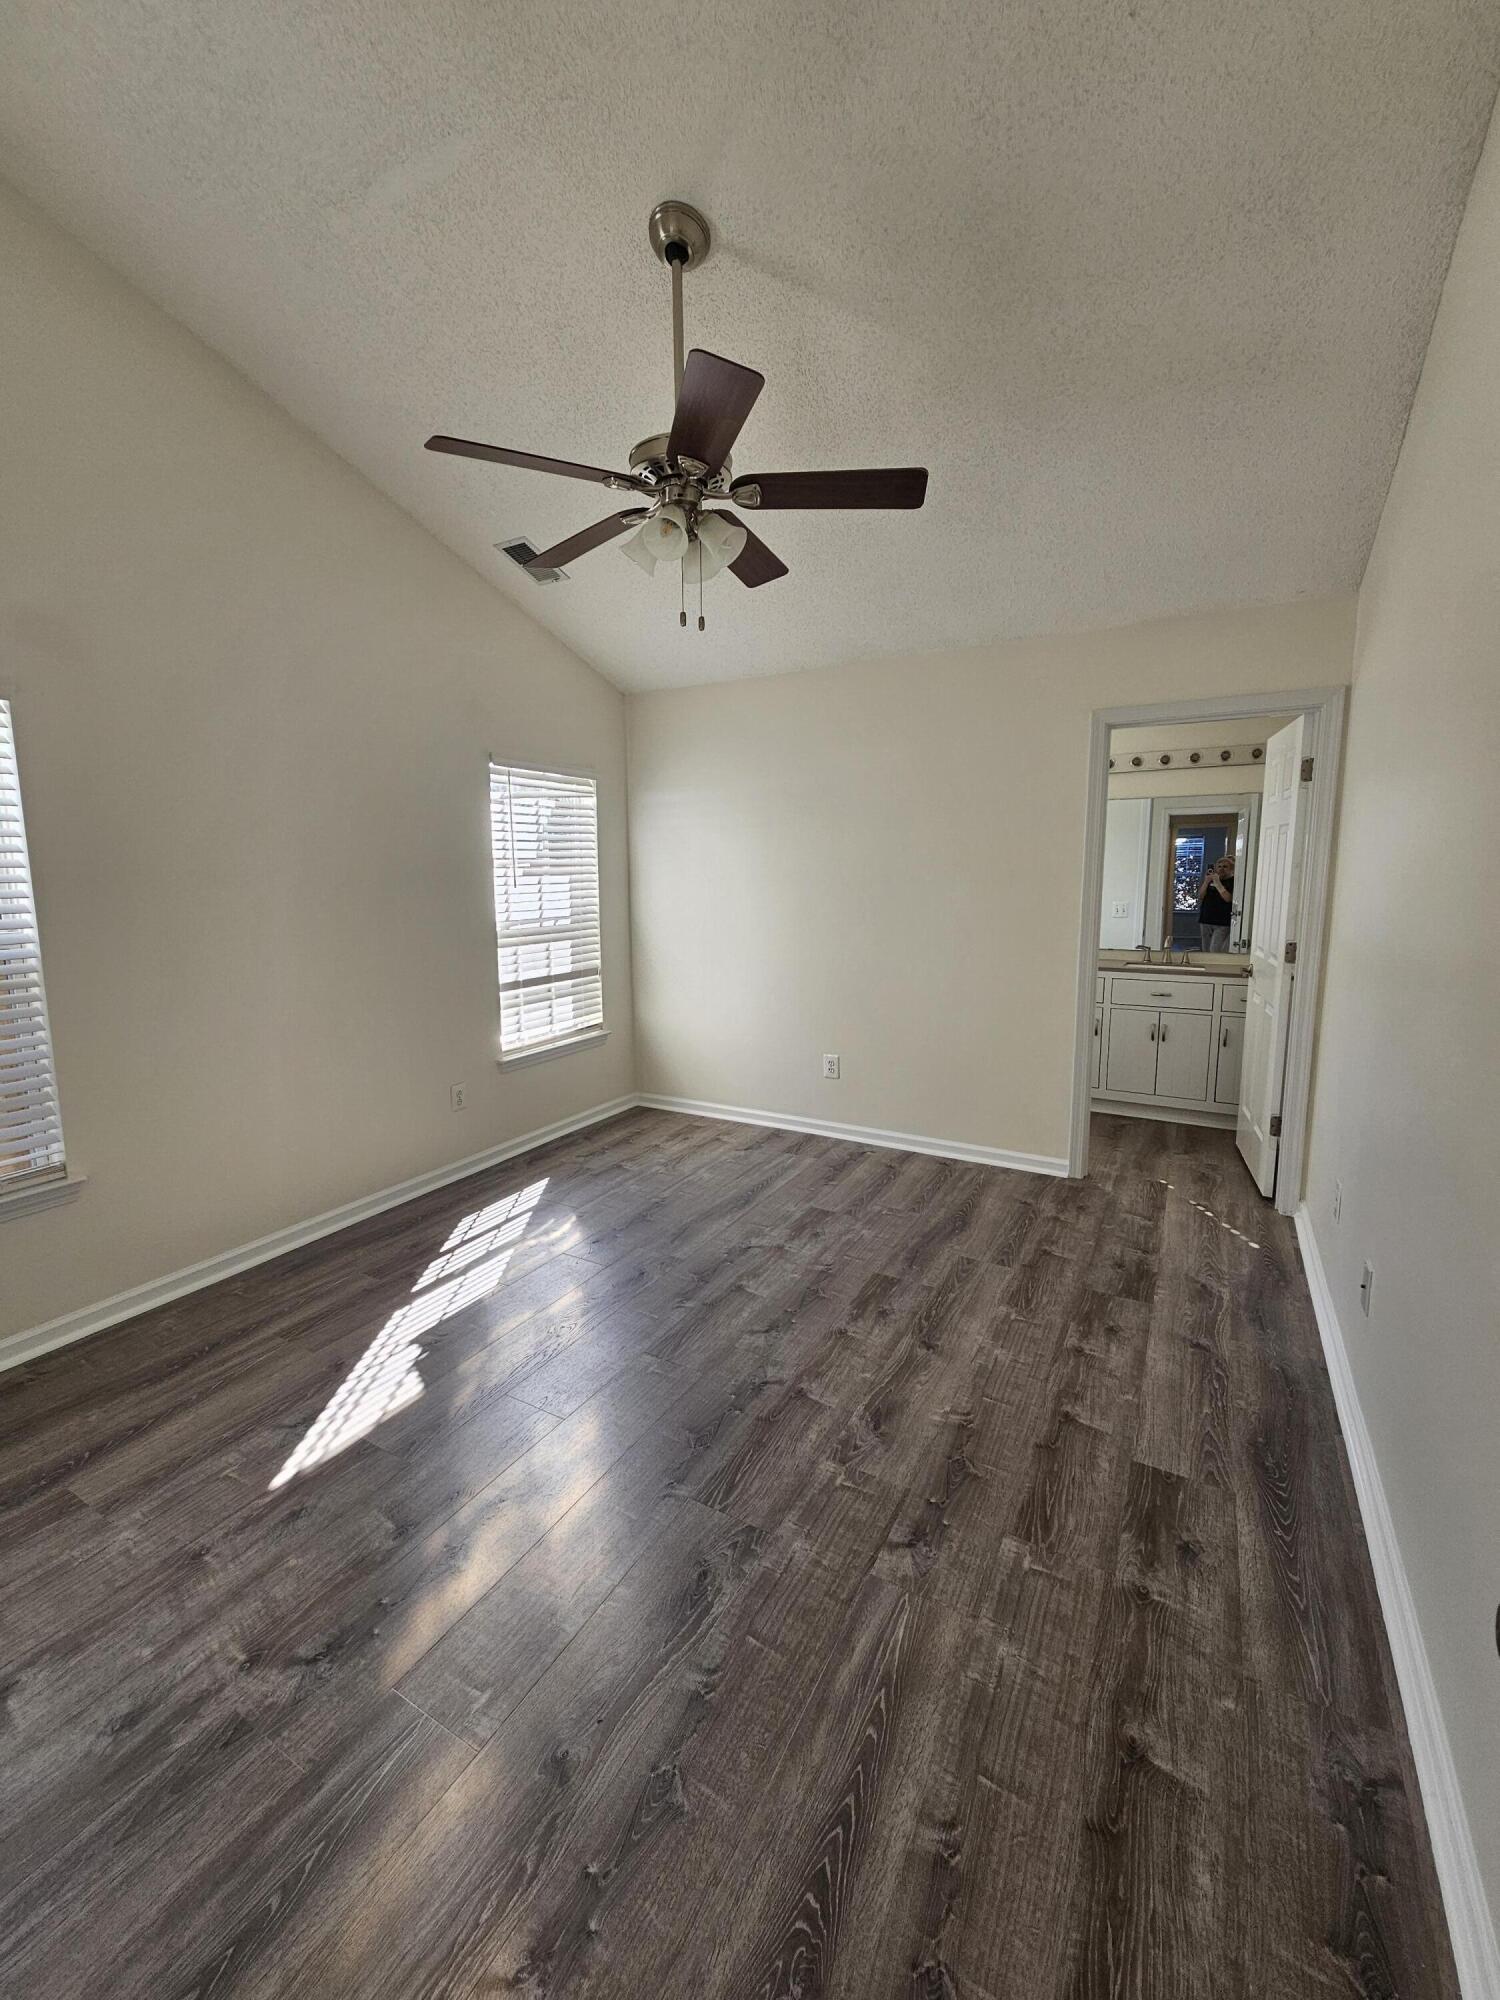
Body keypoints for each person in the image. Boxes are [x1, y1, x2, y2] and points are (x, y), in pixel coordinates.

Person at [1198, 854, 1235, 952]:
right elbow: (1201, 896)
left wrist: (1218, 883)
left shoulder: (1233, 881)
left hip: (1222, 922)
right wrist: (1206, 882)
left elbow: (1228, 898)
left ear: (1231, 869)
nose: (1221, 869)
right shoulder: (1210, 880)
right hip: (1206, 920)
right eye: (1219, 866)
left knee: (1215, 950)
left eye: (1225, 867)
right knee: (1205, 950)